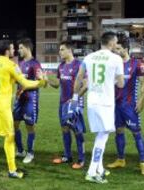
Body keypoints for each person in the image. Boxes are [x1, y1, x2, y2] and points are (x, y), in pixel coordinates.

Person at [0, 39, 47, 178]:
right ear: (7, 51)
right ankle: (12, 170)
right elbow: (25, 82)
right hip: (2, 106)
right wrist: (41, 82)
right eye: (13, 48)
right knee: (9, 136)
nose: (14, 51)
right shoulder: (11, 65)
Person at [73, 32, 124, 183]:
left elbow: (79, 78)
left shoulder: (89, 57)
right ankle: (91, 172)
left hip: (92, 102)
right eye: (116, 42)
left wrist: (75, 98)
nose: (116, 45)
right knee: (103, 136)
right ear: (111, 42)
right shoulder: (116, 59)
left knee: (100, 136)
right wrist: (112, 80)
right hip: (105, 103)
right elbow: (121, 84)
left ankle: (100, 169)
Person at [107, 36, 144, 175]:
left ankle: (143, 162)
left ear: (126, 49)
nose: (116, 51)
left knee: (136, 132)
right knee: (119, 131)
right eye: (115, 48)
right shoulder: (114, 64)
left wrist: (142, 100)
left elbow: (143, 84)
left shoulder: (136, 64)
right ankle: (120, 159)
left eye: (118, 48)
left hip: (130, 106)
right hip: (116, 105)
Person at [48, 41, 87, 169]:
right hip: (63, 103)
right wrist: (46, 78)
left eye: (62, 49)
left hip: (75, 103)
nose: (60, 52)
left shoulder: (79, 65)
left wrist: (76, 99)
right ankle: (67, 156)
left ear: (70, 50)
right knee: (65, 128)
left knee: (77, 130)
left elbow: (86, 84)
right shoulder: (61, 66)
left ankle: (81, 159)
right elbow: (57, 84)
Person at [13, 38, 43, 164]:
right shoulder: (19, 64)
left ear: (27, 48)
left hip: (31, 99)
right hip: (19, 99)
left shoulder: (35, 64)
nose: (18, 50)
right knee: (14, 125)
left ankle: (30, 152)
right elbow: (17, 79)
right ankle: (20, 150)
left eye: (20, 48)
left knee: (29, 126)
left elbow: (39, 83)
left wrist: (25, 86)